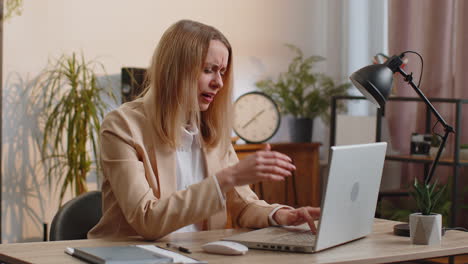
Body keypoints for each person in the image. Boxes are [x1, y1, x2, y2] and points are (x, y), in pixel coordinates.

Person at [88, 19, 320, 240]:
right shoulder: (122, 126)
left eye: (222, 71)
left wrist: (280, 215)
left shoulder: (212, 132)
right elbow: (147, 219)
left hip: (197, 255)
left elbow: (243, 205)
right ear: (175, 70)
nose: (219, 82)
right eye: (209, 69)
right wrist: (229, 177)